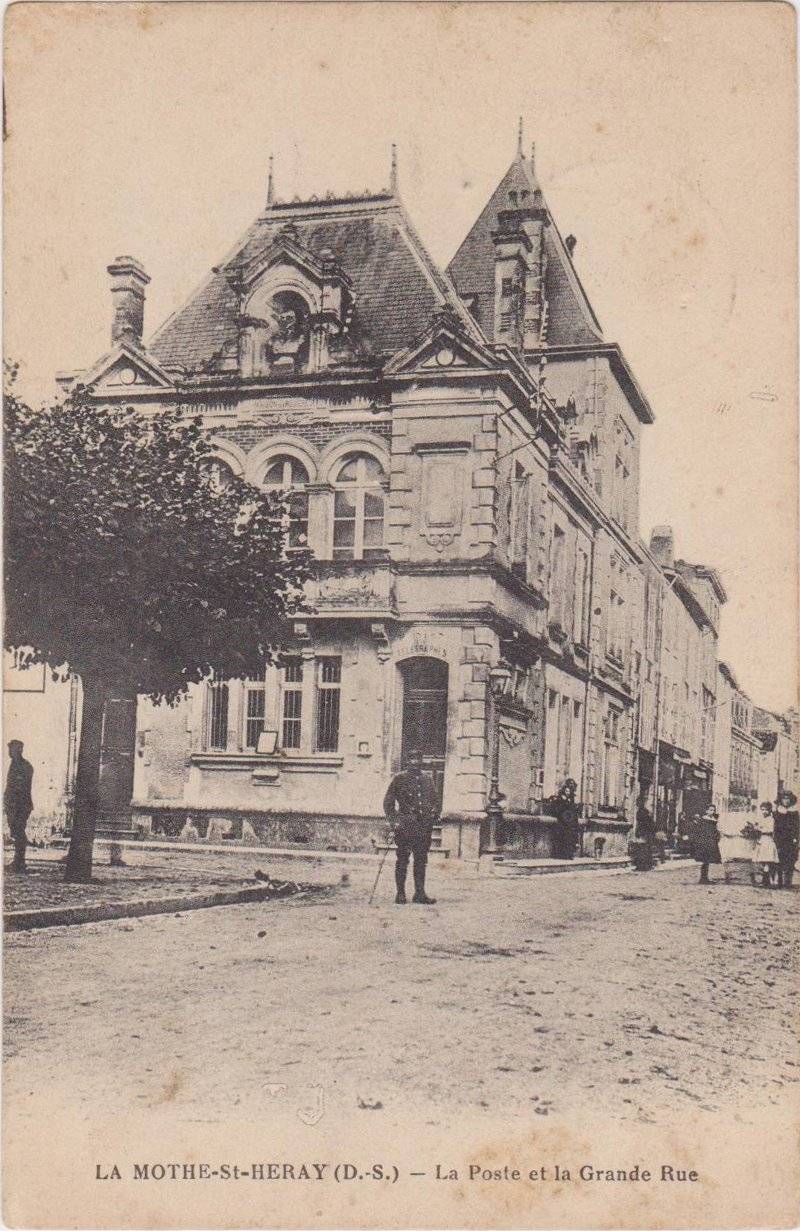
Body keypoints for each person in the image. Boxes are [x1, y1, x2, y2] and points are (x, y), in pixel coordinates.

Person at [383, 750, 440, 905]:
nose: (415, 762)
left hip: (423, 827)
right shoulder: (399, 779)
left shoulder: (427, 779)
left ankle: (420, 894)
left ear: (421, 761)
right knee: (402, 860)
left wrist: (433, 817)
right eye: (412, 759)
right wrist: (395, 822)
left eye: (418, 759)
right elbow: (388, 803)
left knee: (421, 860)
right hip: (405, 827)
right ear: (407, 761)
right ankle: (400, 893)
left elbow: (435, 800)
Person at [4, 740, 34, 873]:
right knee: (16, 832)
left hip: (20, 805)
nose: (10, 752)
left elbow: (20, 788)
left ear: (19, 750)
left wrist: (12, 803)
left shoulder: (25, 766)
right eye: (10, 749)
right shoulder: (14, 764)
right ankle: (18, 861)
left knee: (19, 832)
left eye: (12, 749)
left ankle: (20, 862)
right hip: (13, 805)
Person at [773, 791, 799, 890]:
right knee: (779, 860)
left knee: (790, 860)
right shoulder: (777, 813)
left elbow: (797, 827)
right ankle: (779, 881)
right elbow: (774, 827)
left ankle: (788, 882)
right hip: (780, 839)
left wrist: (796, 838)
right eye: (784, 798)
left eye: (788, 799)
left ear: (791, 800)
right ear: (781, 800)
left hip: (791, 840)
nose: (786, 801)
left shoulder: (794, 813)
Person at [691, 804, 721, 884]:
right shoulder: (704, 820)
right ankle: (703, 878)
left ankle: (705, 877)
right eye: (710, 810)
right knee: (705, 860)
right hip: (705, 842)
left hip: (711, 841)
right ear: (706, 811)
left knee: (707, 860)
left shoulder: (713, 820)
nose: (712, 812)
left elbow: (714, 831)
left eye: (713, 810)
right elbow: (701, 831)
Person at [551, 778, 581, 860]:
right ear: (564, 790)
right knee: (562, 837)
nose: (568, 792)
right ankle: (561, 855)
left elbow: (574, 810)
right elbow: (558, 809)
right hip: (563, 821)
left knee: (570, 838)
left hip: (570, 822)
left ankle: (569, 855)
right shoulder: (560, 798)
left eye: (569, 791)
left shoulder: (572, 799)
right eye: (566, 791)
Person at [752, 801, 780, 888]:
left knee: (767, 861)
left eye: (766, 810)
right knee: (764, 861)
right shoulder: (762, 819)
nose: (764, 811)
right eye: (762, 810)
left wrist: (759, 829)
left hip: (768, 840)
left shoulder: (771, 819)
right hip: (762, 840)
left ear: (769, 810)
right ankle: (766, 880)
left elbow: (770, 830)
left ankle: (767, 881)